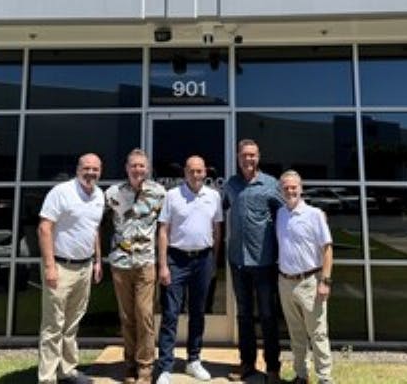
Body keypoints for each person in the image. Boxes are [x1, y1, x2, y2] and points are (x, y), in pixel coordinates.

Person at [37, 153, 105, 384]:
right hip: (60, 266)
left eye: (95, 169)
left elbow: (94, 229)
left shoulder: (99, 195)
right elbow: (44, 228)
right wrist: (50, 266)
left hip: (84, 266)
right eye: (87, 168)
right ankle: (47, 378)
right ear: (78, 169)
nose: (91, 173)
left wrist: (98, 260)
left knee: (72, 323)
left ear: (100, 171)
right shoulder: (61, 192)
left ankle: (67, 371)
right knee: (53, 325)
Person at [155, 156, 223, 384]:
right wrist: (163, 265)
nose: (196, 175)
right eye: (191, 171)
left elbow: (217, 230)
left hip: (203, 259)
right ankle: (165, 367)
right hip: (176, 259)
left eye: (199, 171)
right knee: (170, 314)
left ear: (205, 172)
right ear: (185, 172)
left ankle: (193, 360)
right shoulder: (172, 196)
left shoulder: (213, 196)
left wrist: (213, 261)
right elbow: (163, 231)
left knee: (198, 313)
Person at [223, 139, 283, 383]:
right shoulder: (231, 185)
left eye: (252, 155)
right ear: (238, 157)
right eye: (244, 155)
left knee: (268, 315)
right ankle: (247, 363)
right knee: (244, 315)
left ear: (258, 157)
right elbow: (216, 211)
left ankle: (273, 367)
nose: (248, 159)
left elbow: (287, 212)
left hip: (264, 262)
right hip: (238, 261)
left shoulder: (271, 184)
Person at [105, 149, 166, 384]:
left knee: (144, 315)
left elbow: (165, 228)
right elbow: (95, 221)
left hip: (145, 263)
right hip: (120, 263)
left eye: (142, 165)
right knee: (127, 316)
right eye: (134, 165)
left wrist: (164, 262)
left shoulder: (159, 193)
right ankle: (129, 363)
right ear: (126, 168)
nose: (138, 169)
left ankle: (145, 366)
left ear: (147, 168)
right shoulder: (113, 193)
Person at [275, 170, 334, 384]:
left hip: (310, 282)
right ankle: (301, 375)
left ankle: (325, 378)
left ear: (301, 189)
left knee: (317, 333)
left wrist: (325, 281)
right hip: (286, 282)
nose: (290, 191)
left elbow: (327, 249)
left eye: (294, 187)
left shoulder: (314, 214)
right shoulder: (280, 214)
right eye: (286, 188)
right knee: (296, 333)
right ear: (281, 190)